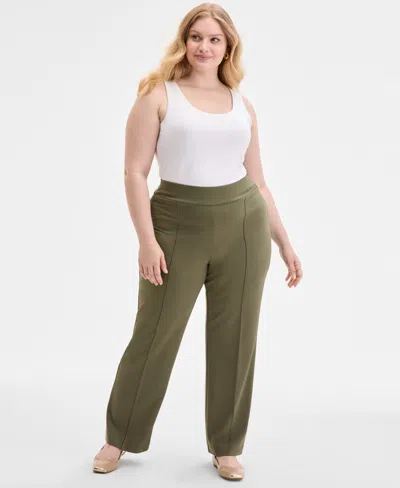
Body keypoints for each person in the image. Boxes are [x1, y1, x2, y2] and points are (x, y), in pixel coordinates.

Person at [92, 2, 303, 481]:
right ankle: (117, 438)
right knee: (154, 335)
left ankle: (227, 447)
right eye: (196, 37)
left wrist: (284, 242)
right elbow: (134, 172)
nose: (204, 47)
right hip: (175, 225)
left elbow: (258, 181)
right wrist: (147, 241)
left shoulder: (241, 103)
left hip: (243, 226)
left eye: (214, 39)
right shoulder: (158, 96)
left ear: (228, 47)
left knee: (236, 339)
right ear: (183, 41)